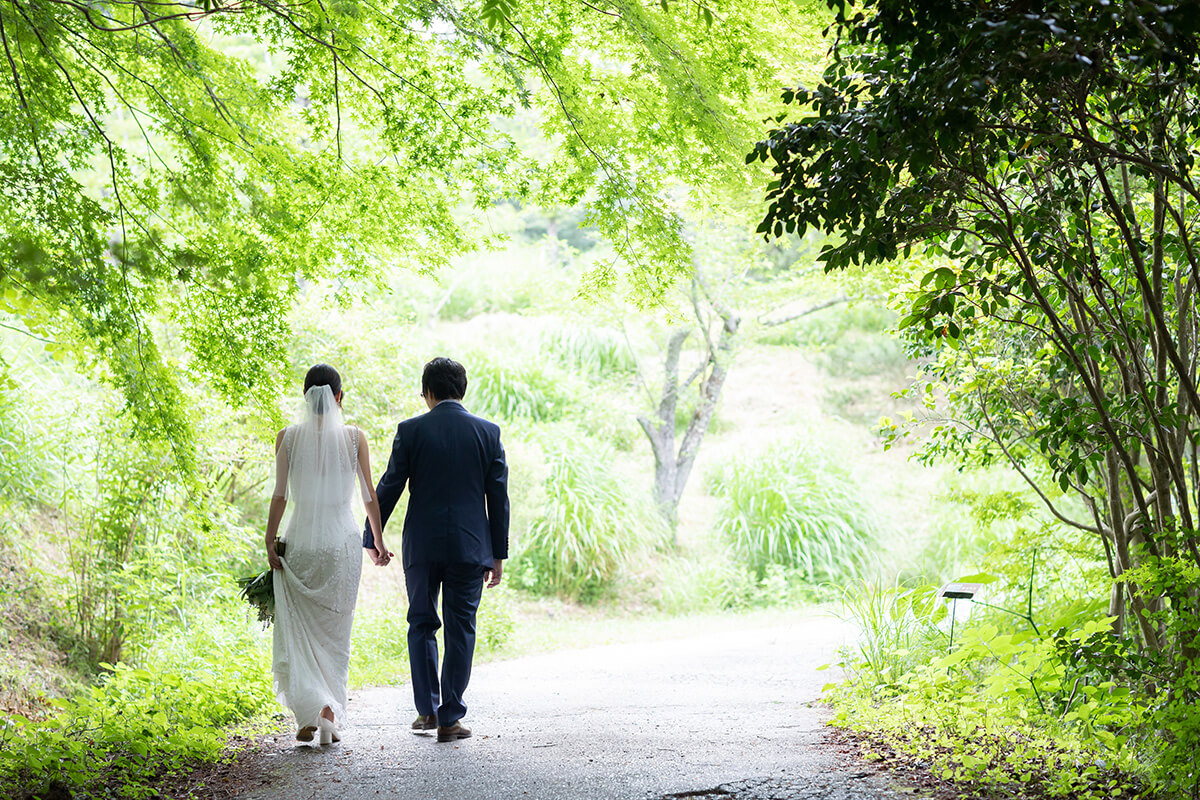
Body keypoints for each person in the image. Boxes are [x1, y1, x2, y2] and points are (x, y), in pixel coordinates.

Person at [363, 357, 509, 743]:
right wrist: (498, 554)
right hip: (470, 545)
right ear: (462, 390)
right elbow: (499, 498)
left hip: (422, 545)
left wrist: (372, 539)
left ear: (427, 392)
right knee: (461, 628)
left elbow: (389, 487)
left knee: (421, 623)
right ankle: (450, 719)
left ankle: (427, 710)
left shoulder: (411, 431)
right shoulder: (488, 432)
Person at [267, 363, 389, 746]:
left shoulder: (286, 438)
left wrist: (270, 538)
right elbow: (369, 496)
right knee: (335, 634)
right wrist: (379, 542)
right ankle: (327, 717)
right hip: (340, 547)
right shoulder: (355, 438)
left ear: (306, 397)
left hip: (301, 543)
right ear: (339, 396)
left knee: (301, 631)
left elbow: (280, 495)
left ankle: (307, 715)